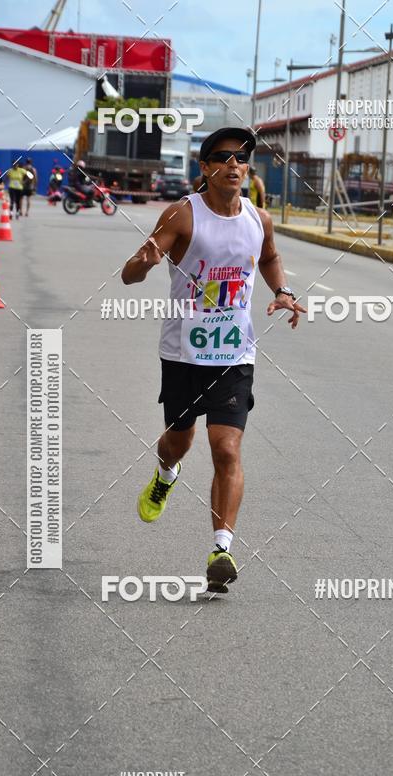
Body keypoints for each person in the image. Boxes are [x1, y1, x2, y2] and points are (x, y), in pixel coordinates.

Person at [121, 127, 306, 593]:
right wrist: (142, 263)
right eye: (222, 157)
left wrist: (281, 290)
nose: (234, 165)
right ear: (205, 167)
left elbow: (269, 257)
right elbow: (130, 274)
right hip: (183, 353)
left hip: (234, 352)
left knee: (226, 448)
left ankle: (221, 548)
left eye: (242, 158)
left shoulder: (259, 218)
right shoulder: (183, 214)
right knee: (178, 445)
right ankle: (165, 474)